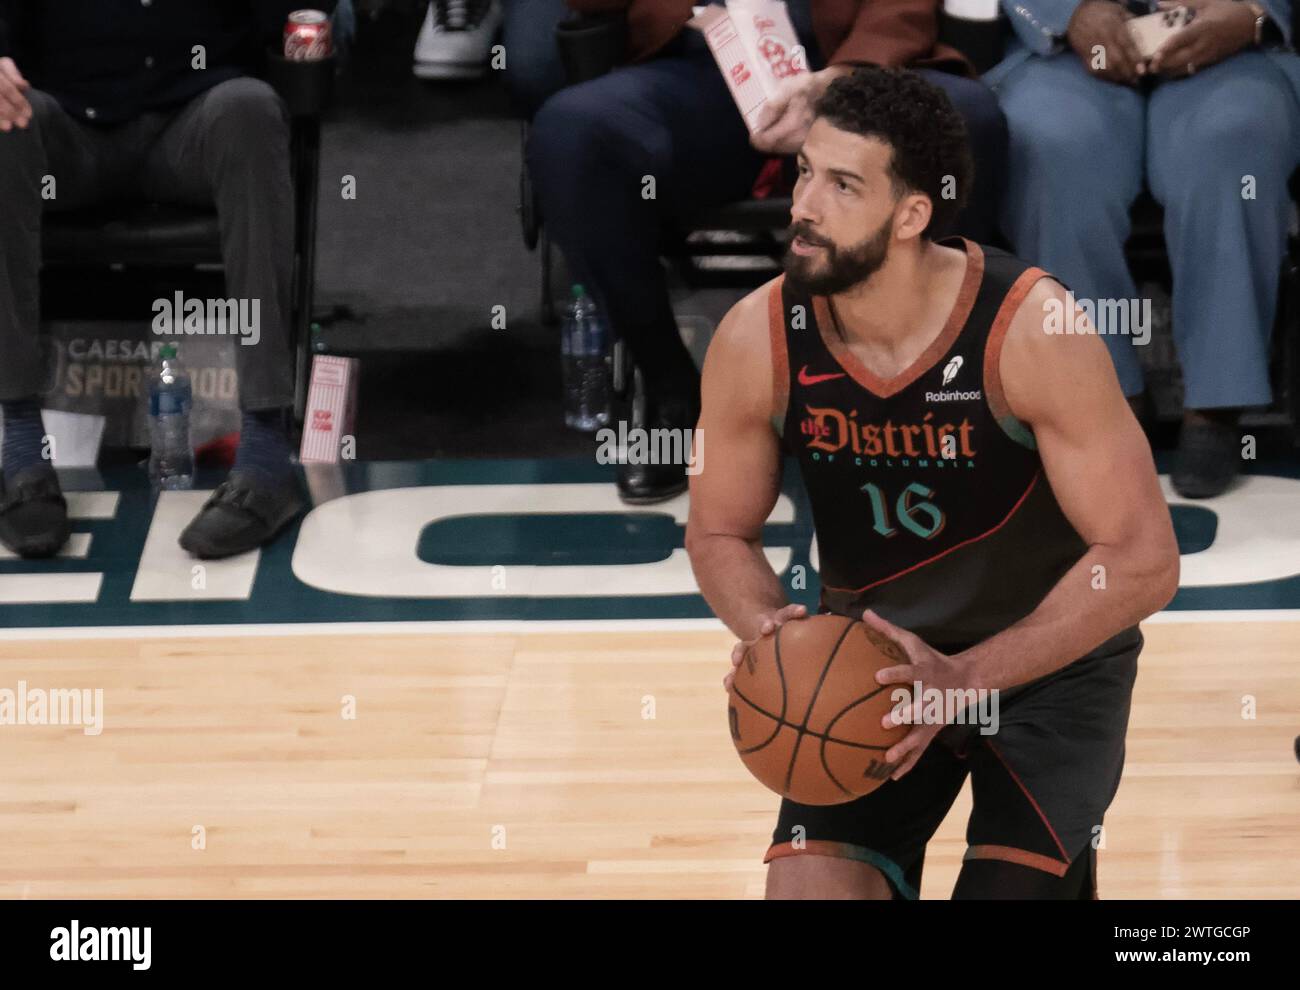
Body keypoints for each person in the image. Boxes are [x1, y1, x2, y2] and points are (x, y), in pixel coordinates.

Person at [685, 67, 1180, 898]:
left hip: (1049, 670)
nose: (803, 204)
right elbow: (718, 531)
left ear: (912, 214)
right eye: (806, 171)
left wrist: (965, 679)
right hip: (874, 668)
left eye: (843, 185)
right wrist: (772, 633)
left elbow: (1141, 560)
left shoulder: (1028, 328)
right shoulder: (757, 336)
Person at [515, 0, 1008, 503]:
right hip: (699, 68)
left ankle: (930, 392)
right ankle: (672, 392)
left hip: (854, 61)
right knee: (573, 134)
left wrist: (846, 75)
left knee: (968, 119)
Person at [0, 0, 327, 559]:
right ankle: (21, 448)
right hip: (66, 127)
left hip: (193, 123)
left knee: (249, 108)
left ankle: (267, 453)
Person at [987, 0, 1300, 497]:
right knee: (1052, 146)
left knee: (1231, 143)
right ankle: (1105, 394)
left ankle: (1216, 405)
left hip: (1237, 49)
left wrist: (1253, 12)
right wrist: (1068, 12)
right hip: (1064, 52)